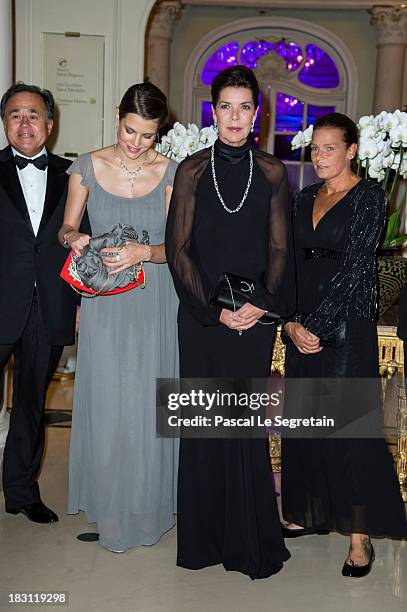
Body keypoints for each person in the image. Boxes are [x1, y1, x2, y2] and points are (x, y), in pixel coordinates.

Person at [165, 65, 295, 579]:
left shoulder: (273, 173)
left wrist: (260, 305)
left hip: (255, 317)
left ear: (257, 115)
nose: (235, 116)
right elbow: (178, 251)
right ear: (213, 110)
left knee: (241, 426)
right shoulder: (191, 170)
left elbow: (281, 248)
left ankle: (247, 539)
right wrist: (215, 311)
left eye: (245, 107)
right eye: (226, 106)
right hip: (201, 317)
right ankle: (202, 541)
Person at [281, 112, 407, 577]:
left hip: (345, 326)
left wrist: (316, 323)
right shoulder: (303, 198)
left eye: (329, 148)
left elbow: (357, 268)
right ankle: (308, 511)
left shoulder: (370, 196)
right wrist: (292, 322)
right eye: (315, 148)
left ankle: (359, 538)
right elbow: (288, 264)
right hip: (302, 324)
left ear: (352, 151)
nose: (319, 156)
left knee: (349, 426)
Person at [58, 82, 178, 552]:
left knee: (147, 405)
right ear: (117, 116)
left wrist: (145, 250)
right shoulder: (87, 166)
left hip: (154, 297)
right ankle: (109, 509)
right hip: (104, 299)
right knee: (108, 406)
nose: (136, 143)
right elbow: (67, 228)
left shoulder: (172, 173)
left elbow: (180, 249)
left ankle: (149, 507)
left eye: (147, 136)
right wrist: (76, 239)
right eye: (130, 131)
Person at [0, 83, 85, 523]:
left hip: (47, 306)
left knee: (31, 404)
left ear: (50, 124)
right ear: (5, 123)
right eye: (15, 115)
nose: (25, 123)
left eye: (34, 114)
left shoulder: (75, 176)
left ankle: (22, 492)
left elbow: (82, 241)